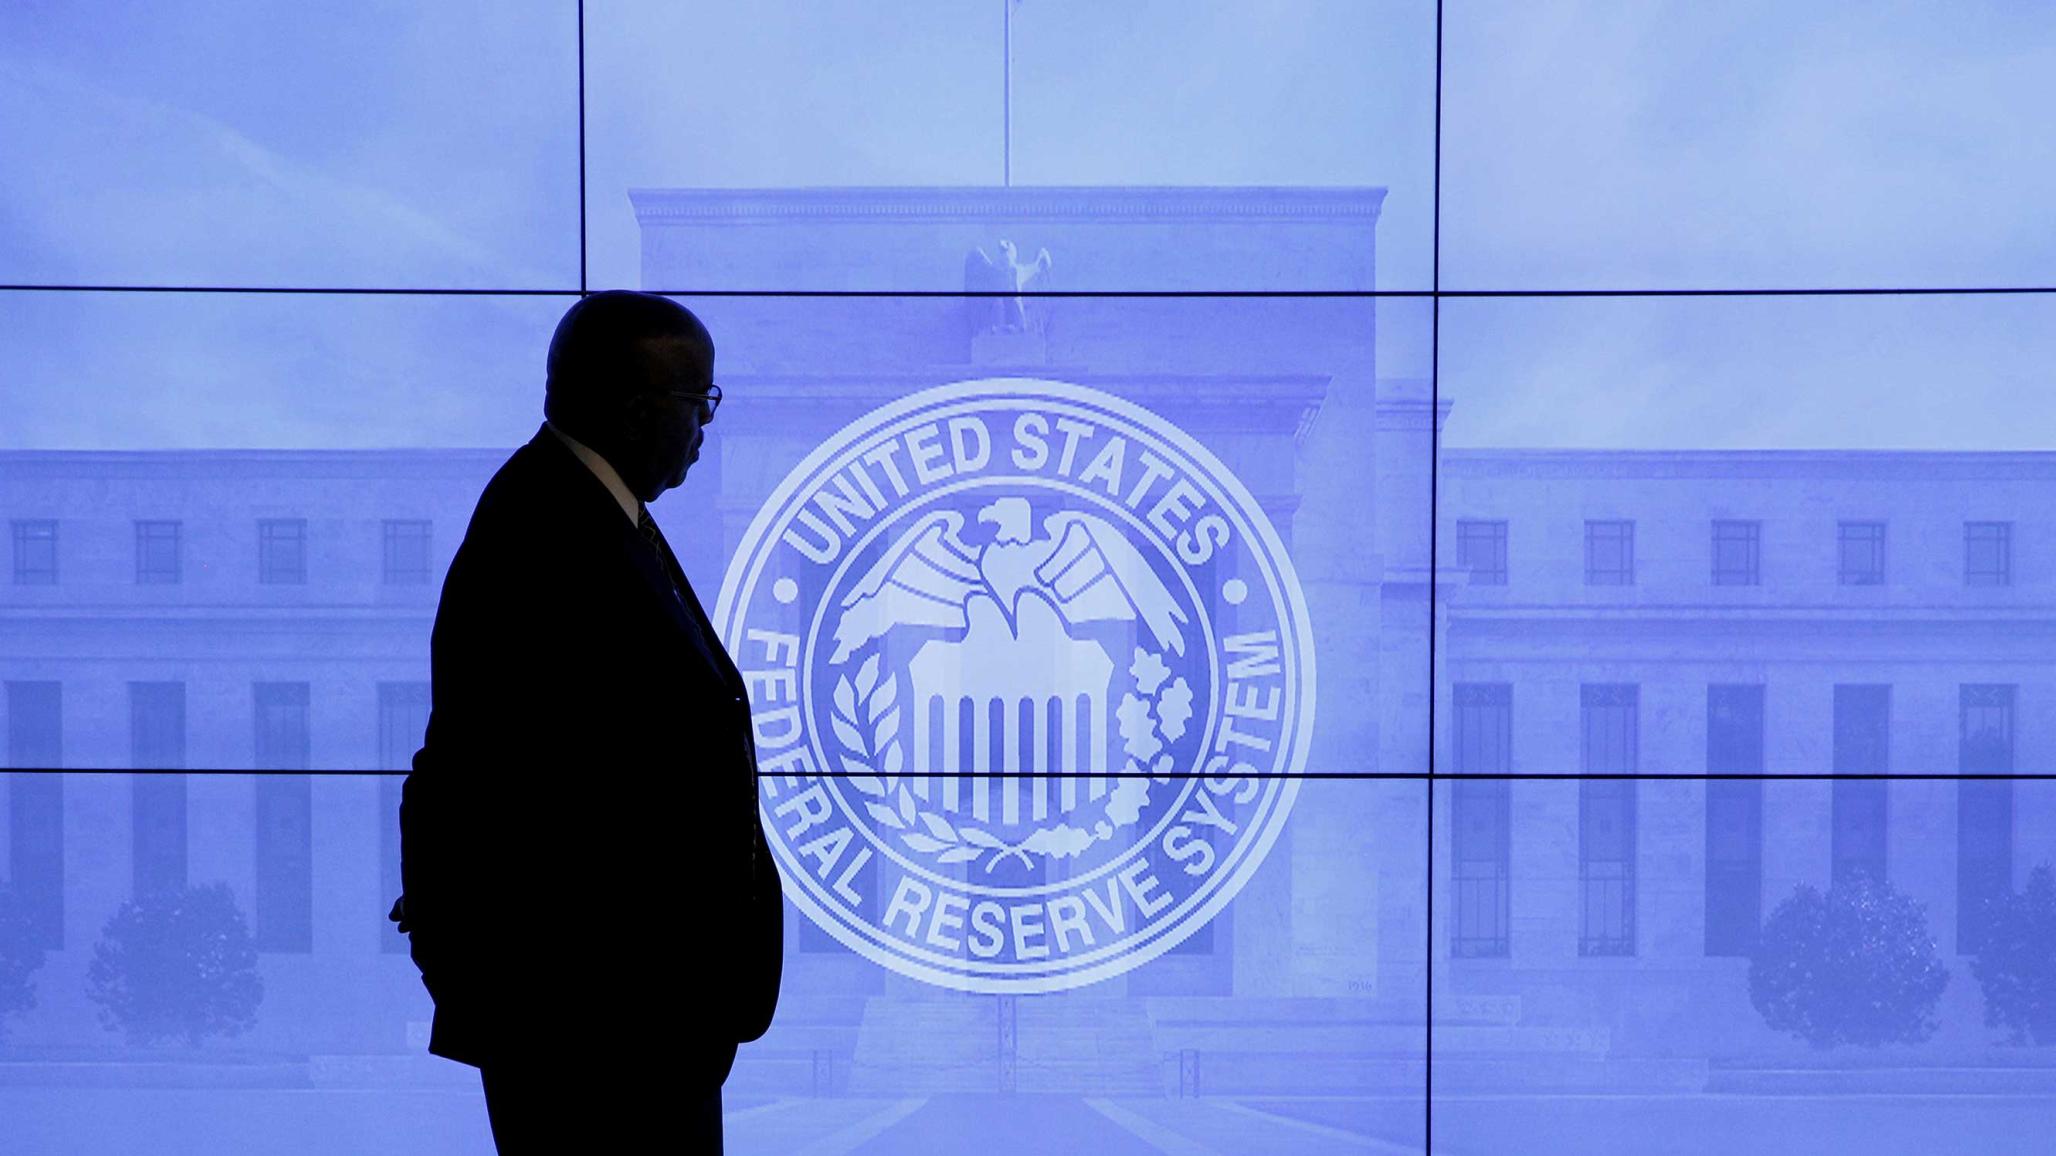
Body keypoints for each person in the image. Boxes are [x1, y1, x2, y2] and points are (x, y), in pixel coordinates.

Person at [392, 291, 783, 1153]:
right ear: (639, 411)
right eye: (698, 404)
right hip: (597, 1026)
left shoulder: (594, 510)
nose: (704, 430)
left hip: (634, 1014)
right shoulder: (544, 531)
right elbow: (482, 773)